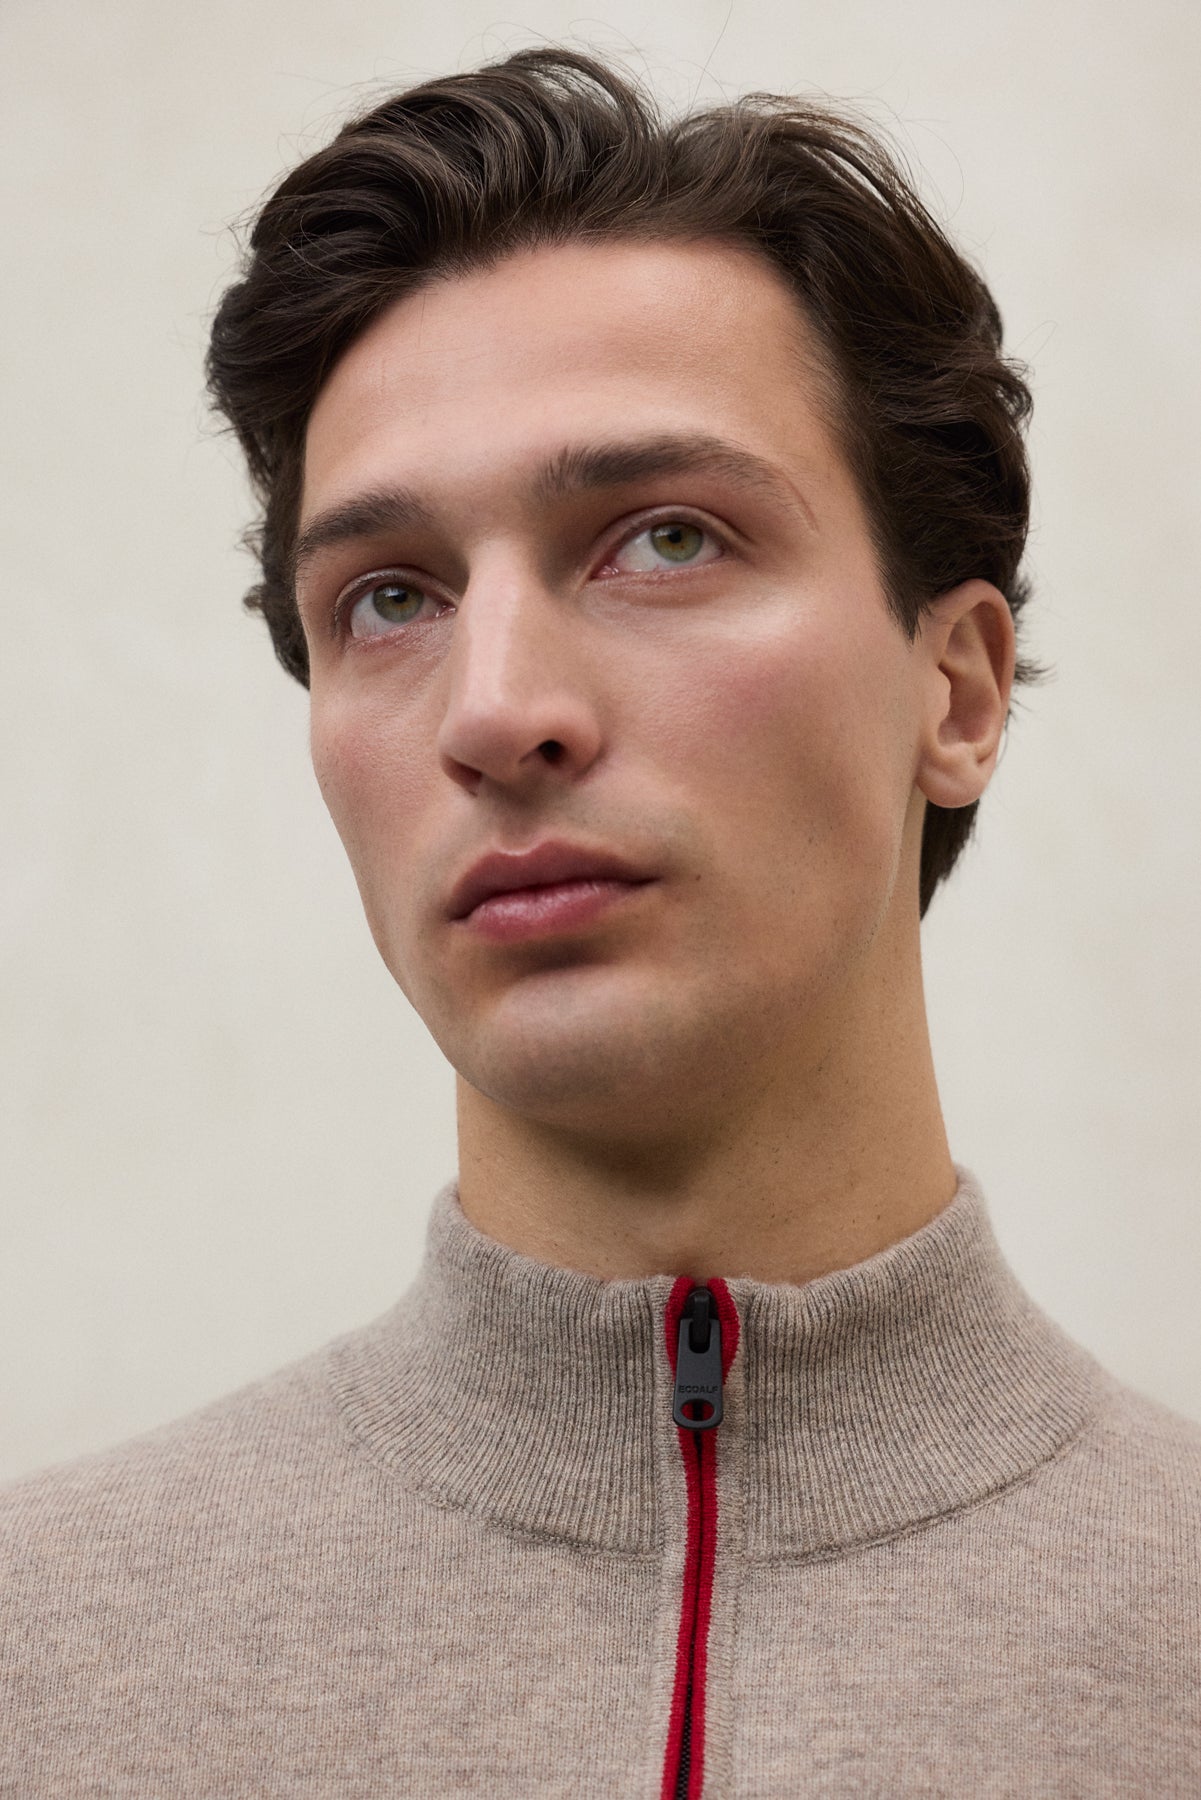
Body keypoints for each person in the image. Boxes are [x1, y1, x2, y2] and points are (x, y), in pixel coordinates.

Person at [2, 43, 1198, 1798]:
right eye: (389, 598)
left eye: (665, 540)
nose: (496, 710)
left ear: (954, 691)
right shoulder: (41, 1663)